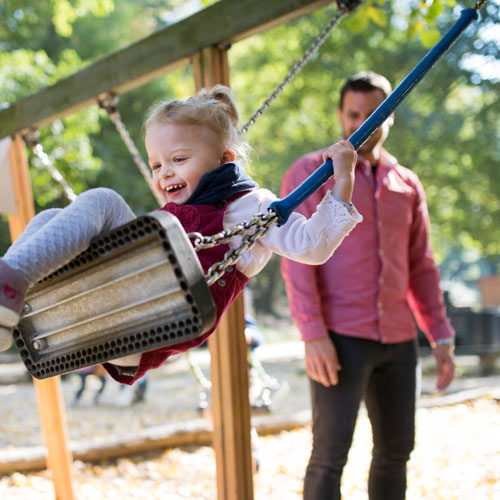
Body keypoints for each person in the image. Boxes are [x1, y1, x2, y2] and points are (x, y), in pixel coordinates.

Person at [0, 84, 362, 385]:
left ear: (224, 159)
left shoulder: (251, 205)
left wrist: (343, 180)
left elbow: (312, 246)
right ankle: (16, 300)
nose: (164, 174)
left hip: (159, 321)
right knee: (49, 216)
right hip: (120, 314)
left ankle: (10, 283)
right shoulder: (174, 211)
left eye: (179, 159)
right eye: (157, 164)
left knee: (104, 200)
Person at [280, 71, 456, 500]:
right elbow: (298, 265)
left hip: (399, 339)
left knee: (396, 452)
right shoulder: (310, 173)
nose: (363, 123)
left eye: (374, 114)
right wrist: (313, 335)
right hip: (340, 339)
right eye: (354, 114)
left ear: (389, 116)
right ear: (341, 115)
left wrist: (440, 333)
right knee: (329, 456)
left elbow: (421, 265)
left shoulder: (407, 184)